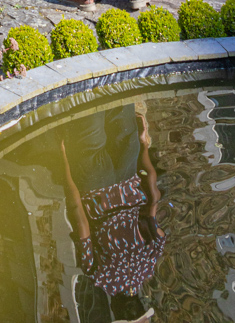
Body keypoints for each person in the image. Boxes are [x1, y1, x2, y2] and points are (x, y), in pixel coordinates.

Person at [61, 104, 165, 322]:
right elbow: (79, 217)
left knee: (118, 100)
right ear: (114, 308)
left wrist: (143, 145)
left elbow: (153, 197)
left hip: (127, 171)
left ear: (141, 302)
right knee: (89, 106)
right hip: (95, 182)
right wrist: (64, 160)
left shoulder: (149, 263)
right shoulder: (97, 274)